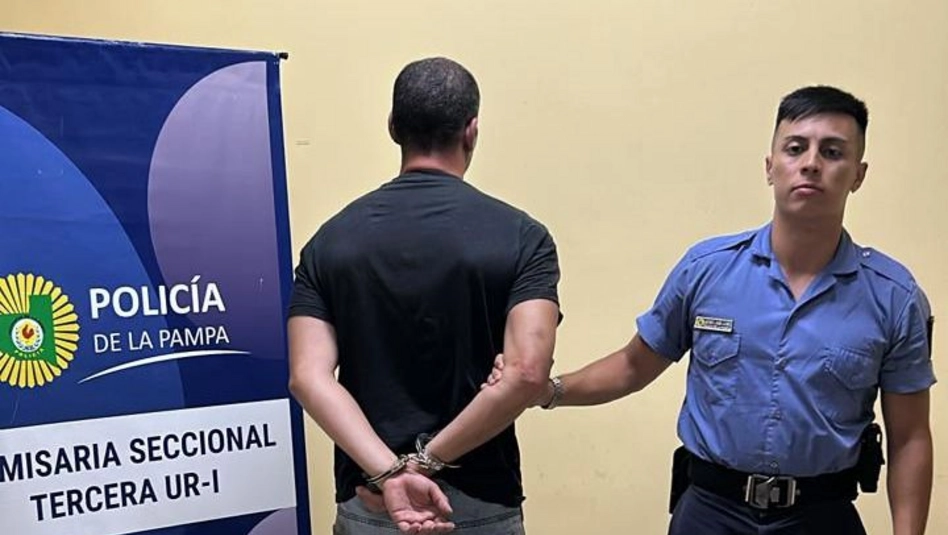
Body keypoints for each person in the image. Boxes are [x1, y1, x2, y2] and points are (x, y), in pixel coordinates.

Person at [488, 85, 935, 534]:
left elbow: (910, 436)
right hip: (711, 513)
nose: (811, 163)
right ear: (770, 166)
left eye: (833, 152)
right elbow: (633, 365)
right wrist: (546, 390)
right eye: (795, 148)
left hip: (821, 516)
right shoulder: (707, 270)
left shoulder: (893, 298)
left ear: (858, 174)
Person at [287, 57, 561, 534]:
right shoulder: (523, 237)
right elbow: (526, 372)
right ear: (471, 130)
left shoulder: (330, 242)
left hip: (371, 496)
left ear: (393, 127)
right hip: (480, 498)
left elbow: (308, 376)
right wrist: (426, 461)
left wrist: (392, 473)